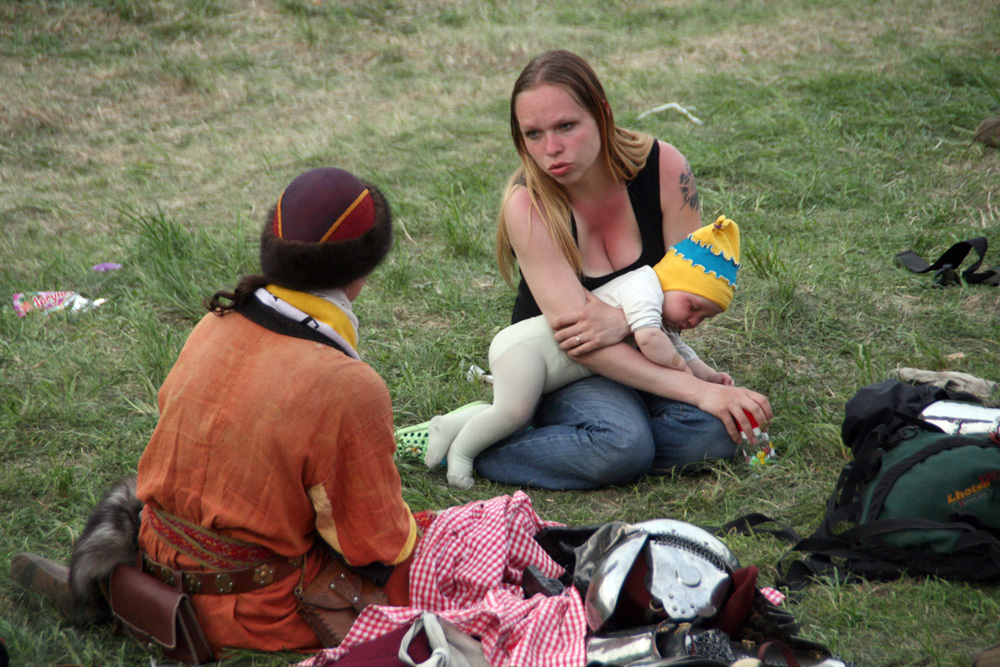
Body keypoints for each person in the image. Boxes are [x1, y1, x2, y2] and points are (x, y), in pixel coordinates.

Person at [11, 167, 419, 656]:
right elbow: (375, 544)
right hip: (258, 610)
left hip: (156, 561)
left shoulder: (214, 324)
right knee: (440, 545)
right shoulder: (351, 386)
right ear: (363, 270)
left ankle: (117, 593)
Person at [472, 49, 771, 490]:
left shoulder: (665, 168)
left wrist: (619, 320)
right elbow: (581, 342)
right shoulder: (527, 204)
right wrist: (703, 391)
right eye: (533, 134)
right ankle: (474, 443)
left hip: (642, 347)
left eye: (566, 126)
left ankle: (587, 444)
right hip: (562, 366)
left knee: (716, 434)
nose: (550, 149)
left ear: (603, 115)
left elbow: (685, 295)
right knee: (624, 444)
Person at [425, 216, 742, 489]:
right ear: (674, 280)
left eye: (705, 318)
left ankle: (450, 426)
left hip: (562, 369)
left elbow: (679, 349)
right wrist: (685, 375)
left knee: (515, 414)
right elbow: (650, 340)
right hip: (525, 351)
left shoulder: (665, 312)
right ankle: (464, 454)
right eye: (693, 307)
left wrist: (709, 377)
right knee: (513, 414)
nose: (694, 321)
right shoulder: (645, 286)